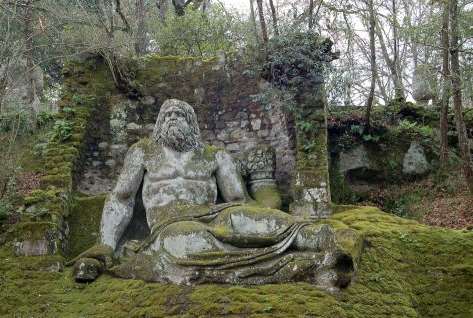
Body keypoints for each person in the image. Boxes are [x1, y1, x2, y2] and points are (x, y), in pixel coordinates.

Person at [72, 99, 353, 288]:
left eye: (179, 114)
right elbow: (121, 198)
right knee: (189, 240)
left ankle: (315, 239)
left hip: (216, 213)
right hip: (170, 223)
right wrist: (106, 245)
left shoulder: (214, 155)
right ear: (158, 124)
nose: (172, 118)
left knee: (247, 219)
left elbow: (237, 200)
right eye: (167, 115)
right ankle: (291, 264)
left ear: (192, 123)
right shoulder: (144, 152)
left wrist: (262, 203)